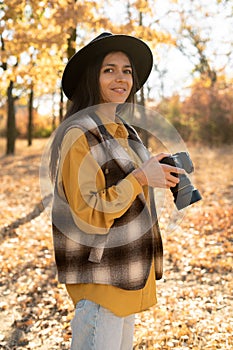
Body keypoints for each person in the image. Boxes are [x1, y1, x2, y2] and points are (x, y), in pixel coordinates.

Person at [49, 32, 184, 350]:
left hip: (127, 275)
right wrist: (139, 177)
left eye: (126, 70)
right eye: (109, 69)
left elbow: (129, 183)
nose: (120, 78)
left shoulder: (126, 132)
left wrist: (153, 170)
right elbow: (88, 213)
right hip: (101, 280)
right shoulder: (79, 134)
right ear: (91, 77)